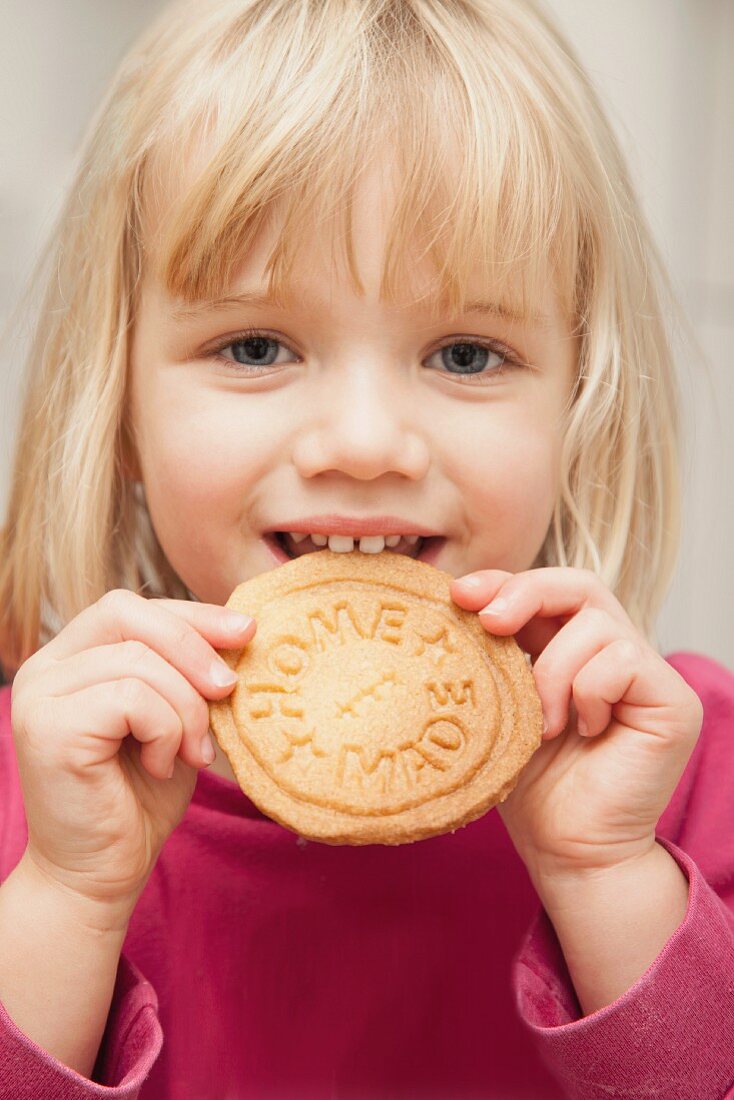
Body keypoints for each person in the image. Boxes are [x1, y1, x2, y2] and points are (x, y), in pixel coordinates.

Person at [0, 0, 732, 1095]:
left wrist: (608, 876)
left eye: (466, 353)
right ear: (118, 410)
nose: (364, 443)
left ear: (578, 401)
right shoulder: (37, 782)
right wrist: (66, 894)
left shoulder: (683, 764)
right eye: (255, 344)